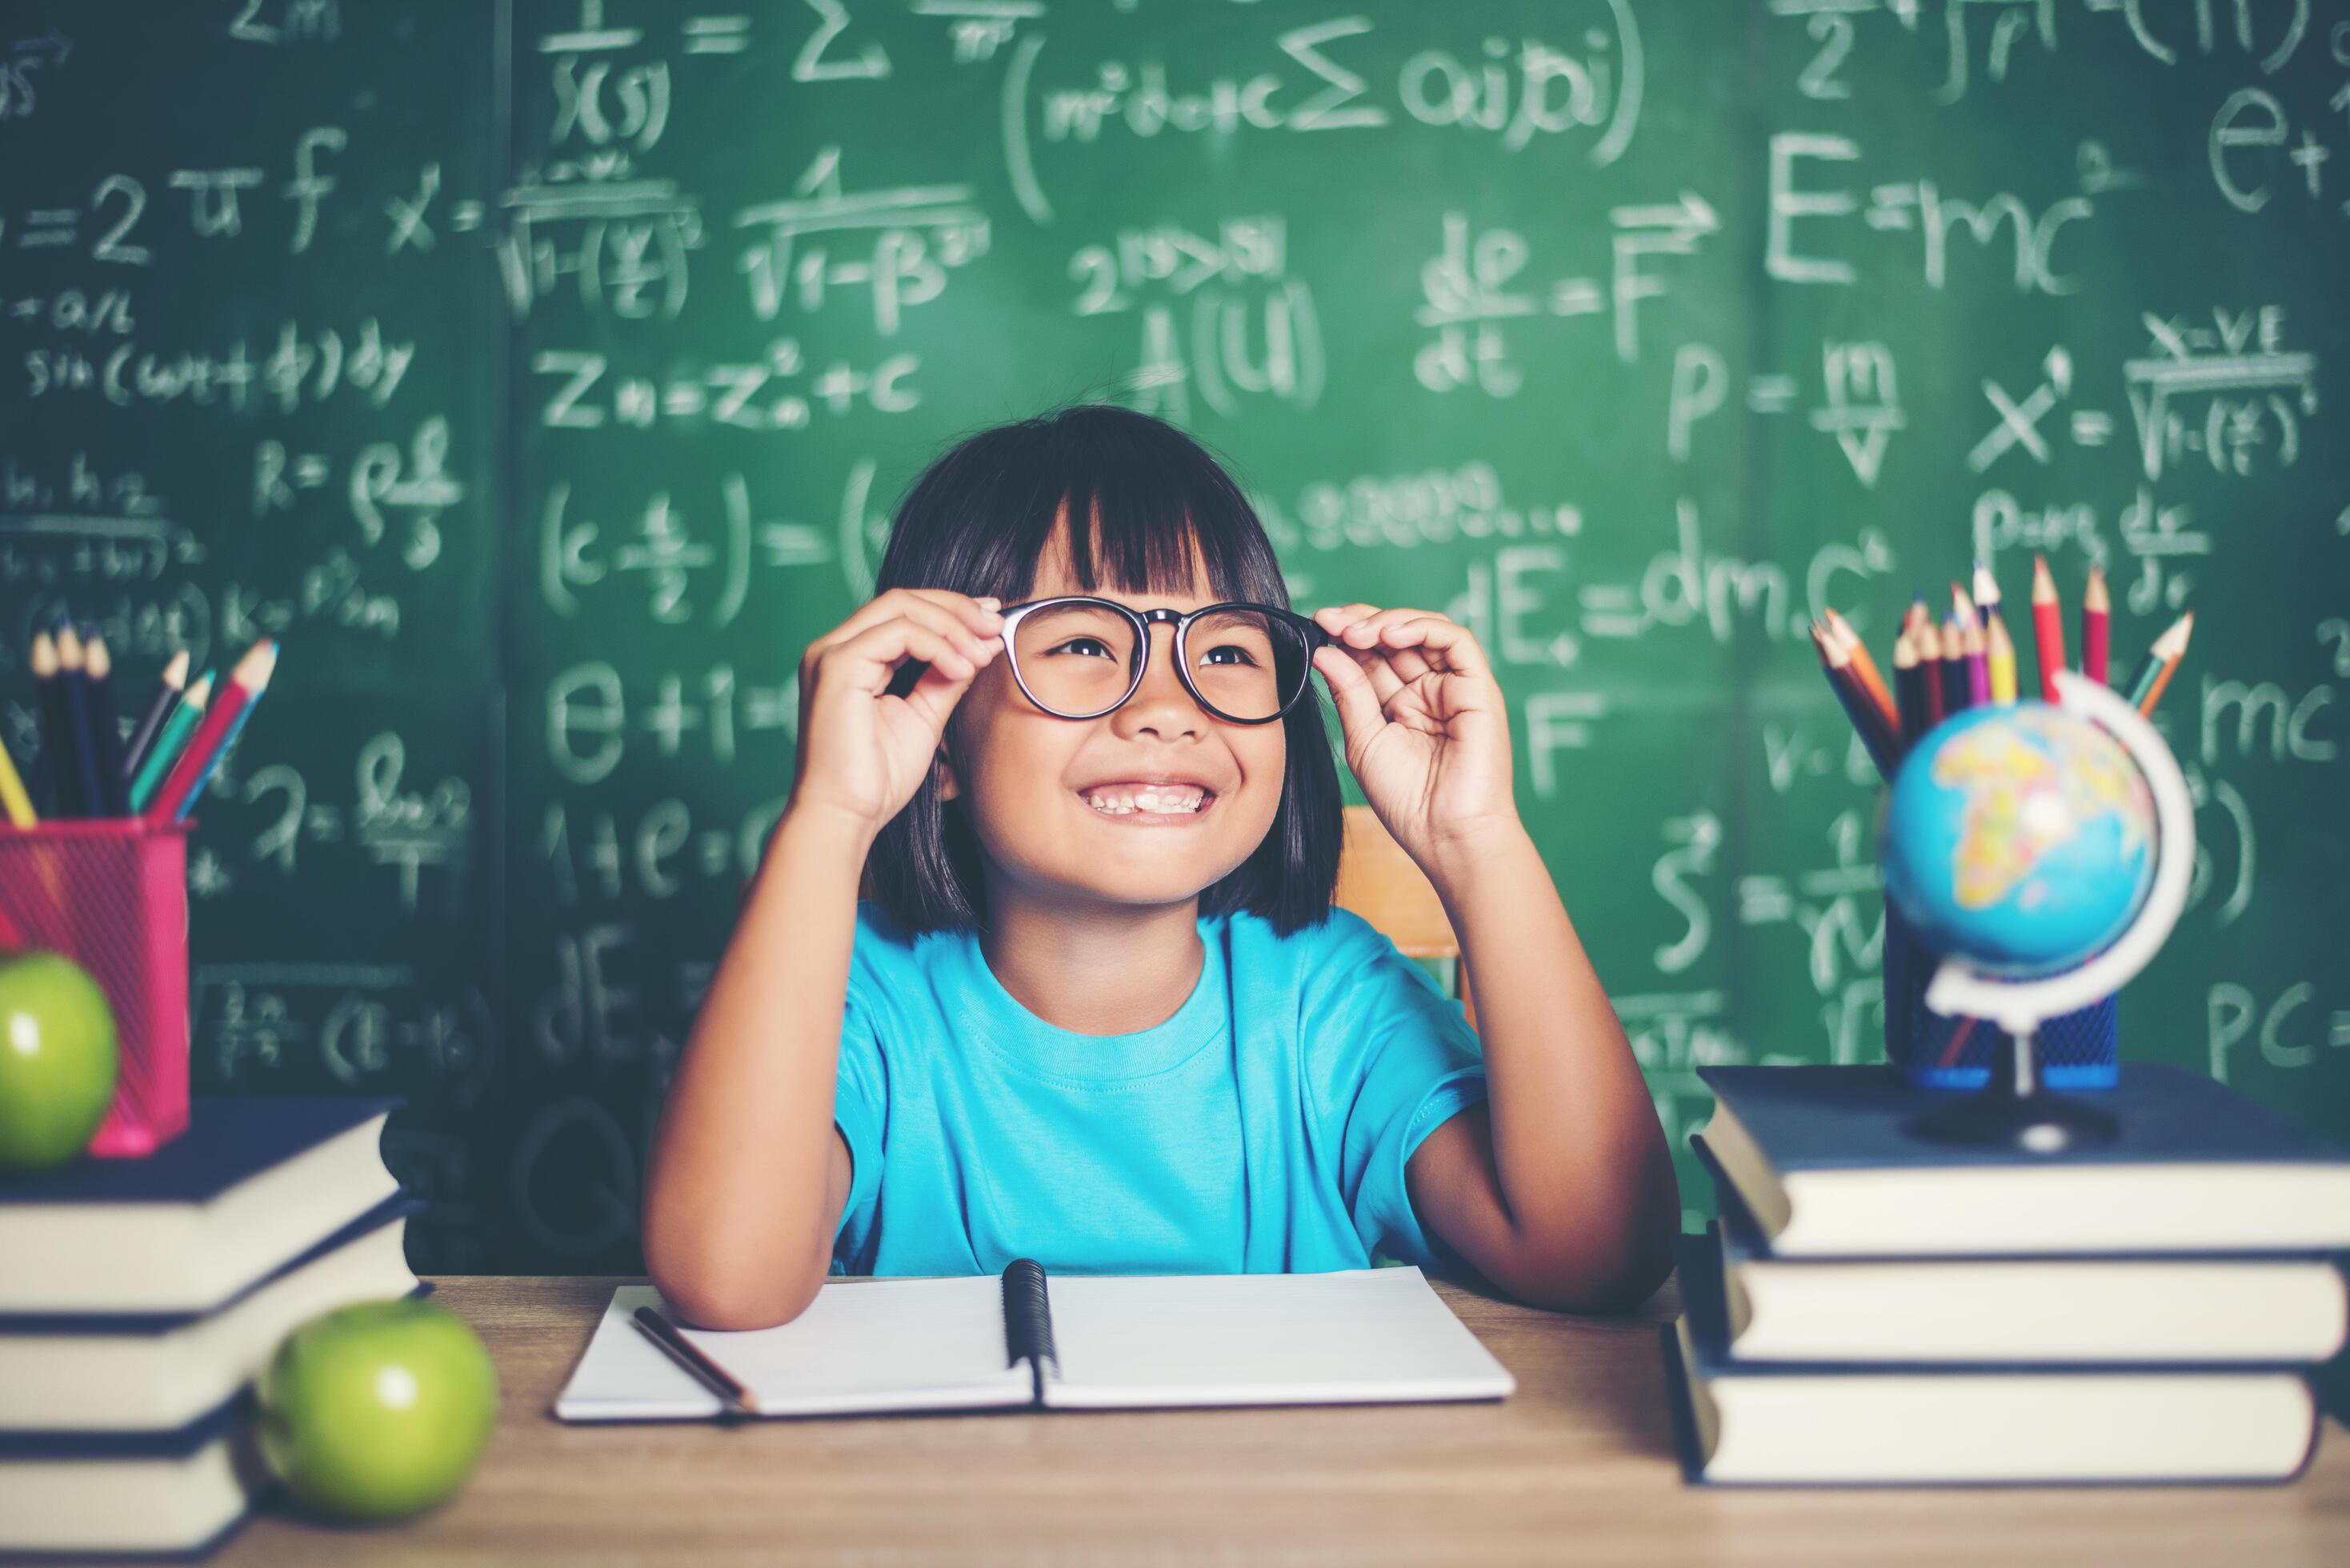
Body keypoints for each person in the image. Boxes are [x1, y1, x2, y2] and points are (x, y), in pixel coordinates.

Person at [643, 405, 1677, 1329]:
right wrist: (831, 812)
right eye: (1085, 643)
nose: (1166, 706)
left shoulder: (1330, 1003)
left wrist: (1475, 838)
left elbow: (1595, 1255)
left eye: (1225, 651)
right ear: (940, 732)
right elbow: (729, 1283)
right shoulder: (862, 1002)